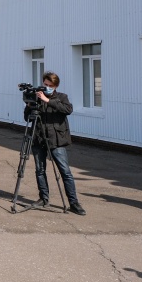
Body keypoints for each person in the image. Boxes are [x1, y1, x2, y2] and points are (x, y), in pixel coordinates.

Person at [25, 71, 87, 215]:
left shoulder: (61, 97)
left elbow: (67, 109)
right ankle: (44, 198)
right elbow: (27, 117)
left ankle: (74, 203)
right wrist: (29, 106)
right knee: (40, 170)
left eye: (50, 85)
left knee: (65, 172)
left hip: (56, 140)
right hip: (39, 137)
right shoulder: (37, 97)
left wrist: (47, 100)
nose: (46, 87)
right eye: (45, 84)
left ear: (55, 86)